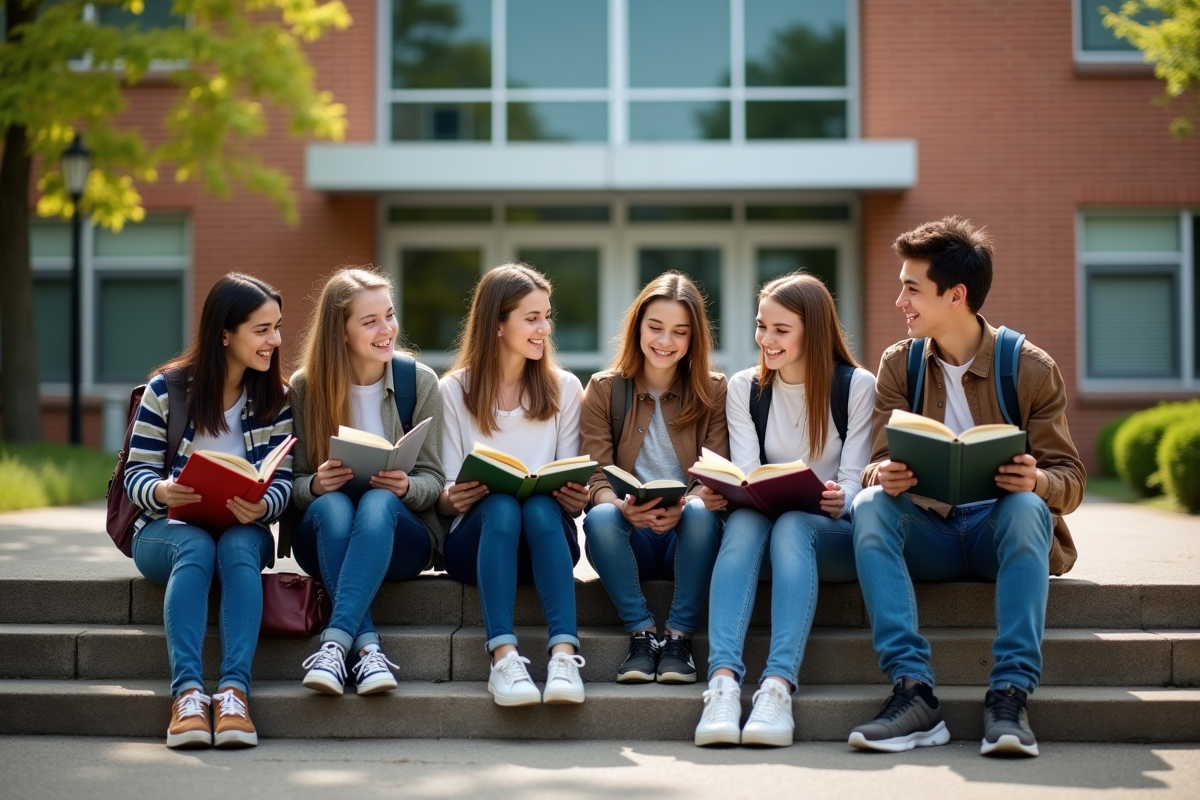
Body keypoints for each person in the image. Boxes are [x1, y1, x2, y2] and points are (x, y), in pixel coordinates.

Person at [848, 216, 1085, 758]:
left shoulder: (1029, 368)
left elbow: (1070, 480)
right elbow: (874, 463)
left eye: (912, 289)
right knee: (870, 504)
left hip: (995, 535)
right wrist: (882, 475)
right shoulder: (899, 365)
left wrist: (1037, 480)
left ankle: (1009, 696)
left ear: (955, 295)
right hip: (927, 534)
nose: (900, 301)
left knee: (1027, 507)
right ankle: (913, 692)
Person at [695, 272, 875, 748]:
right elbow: (748, 474)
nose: (766, 339)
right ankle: (723, 685)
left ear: (812, 332)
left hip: (828, 535)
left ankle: (777, 687)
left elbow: (855, 479)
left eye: (780, 329)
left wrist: (842, 498)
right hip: (763, 531)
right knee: (744, 520)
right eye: (761, 326)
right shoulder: (745, 387)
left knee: (794, 523)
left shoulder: (856, 386)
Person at [124, 273, 293, 749]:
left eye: (277, 327)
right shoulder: (166, 391)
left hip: (243, 526)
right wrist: (164, 490)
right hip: (165, 530)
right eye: (262, 330)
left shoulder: (276, 398)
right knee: (196, 545)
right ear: (225, 334)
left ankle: (234, 693)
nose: (275, 340)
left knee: (238, 546)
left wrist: (262, 503)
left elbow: (283, 480)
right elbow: (135, 476)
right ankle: (188, 697)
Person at [287, 268, 445, 696]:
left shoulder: (419, 382)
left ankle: (336, 645)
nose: (387, 329)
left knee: (377, 501)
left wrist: (405, 488)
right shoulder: (305, 388)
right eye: (370, 321)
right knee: (332, 504)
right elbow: (290, 486)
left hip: (399, 540)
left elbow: (434, 478)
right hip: (326, 538)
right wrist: (315, 486)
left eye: (389, 315)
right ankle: (367, 652)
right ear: (340, 331)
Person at [438, 264, 589, 707]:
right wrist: (453, 498)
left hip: (546, 542)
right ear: (498, 324)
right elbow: (444, 492)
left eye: (547, 317)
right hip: (477, 547)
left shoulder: (564, 388)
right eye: (532, 318)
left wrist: (575, 498)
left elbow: (570, 479)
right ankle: (503, 658)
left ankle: (564, 656)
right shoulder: (453, 391)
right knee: (503, 506)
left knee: (539, 508)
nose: (545, 329)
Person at [580, 272, 728, 685]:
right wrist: (621, 508)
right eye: (655, 327)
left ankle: (679, 639)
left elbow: (716, 470)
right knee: (600, 518)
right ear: (638, 328)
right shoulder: (604, 389)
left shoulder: (714, 390)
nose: (665, 341)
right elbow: (595, 475)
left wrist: (689, 504)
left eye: (680, 332)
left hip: (690, 537)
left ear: (694, 338)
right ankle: (642, 635)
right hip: (632, 538)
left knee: (700, 512)